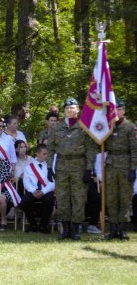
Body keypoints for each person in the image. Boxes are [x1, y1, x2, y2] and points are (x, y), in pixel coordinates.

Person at [47, 97, 96, 240]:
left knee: (78, 198)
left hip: (79, 166)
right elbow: (50, 149)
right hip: (61, 166)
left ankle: (75, 229)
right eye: (67, 108)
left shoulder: (84, 127)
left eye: (72, 107)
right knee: (62, 198)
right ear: (64, 110)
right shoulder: (57, 127)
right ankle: (65, 229)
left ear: (78, 110)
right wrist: (49, 167)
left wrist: (89, 169)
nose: (70, 110)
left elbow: (91, 149)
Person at [103, 99, 136, 240]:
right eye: (115, 110)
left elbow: (135, 150)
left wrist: (133, 168)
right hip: (110, 163)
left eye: (120, 109)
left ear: (124, 111)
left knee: (125, 197)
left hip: (125, 164)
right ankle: (113, 228)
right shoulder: (108, 126)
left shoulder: (130, 127)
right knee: (111, 197)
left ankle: (122, 229)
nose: (117, 112)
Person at [21, 144, 55, 233]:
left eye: (47, 154)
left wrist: (43, 191)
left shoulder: (50, 167)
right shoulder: (29, 167)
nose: (46, 156)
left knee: (50, 200)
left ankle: (44, 225)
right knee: (25, 200)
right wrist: (33, 191)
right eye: (44, 154)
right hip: (33, 190)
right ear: (37, 154)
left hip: (46, 191)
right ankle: (33, 225)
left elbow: (53, 182)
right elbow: (26, 182)